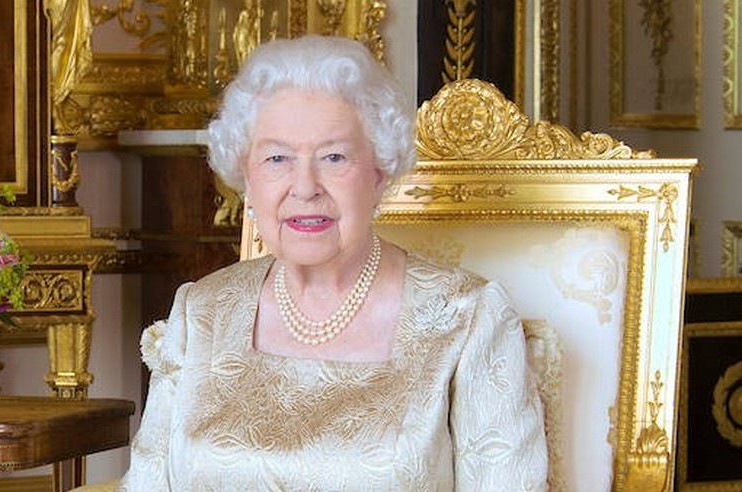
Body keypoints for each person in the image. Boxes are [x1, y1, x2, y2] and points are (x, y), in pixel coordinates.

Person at [119, 35, 547, 490]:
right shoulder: (201, 310)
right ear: (247, 177)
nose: (305, 187)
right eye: (277, 158)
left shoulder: (466, 318)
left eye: (334, 157)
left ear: (379, 172)